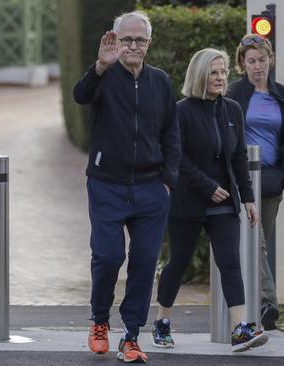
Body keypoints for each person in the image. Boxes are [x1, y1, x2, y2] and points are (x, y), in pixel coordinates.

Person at [73, 11, 180, 363]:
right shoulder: (103, 77)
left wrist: (167, 181)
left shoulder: (161, 81)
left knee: (145, 262)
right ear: (116, 41)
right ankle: (100, 320)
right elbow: (80, 95)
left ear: (149, 44)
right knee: (108, 257)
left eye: (140, 40)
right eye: (126, 40)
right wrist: (100, 66)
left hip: (151, 189)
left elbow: (171, 135)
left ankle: (131, 336)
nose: (133, 46)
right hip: (107, 185)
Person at [152, 48, 268, 352]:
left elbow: (240, 157)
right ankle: (162, 320)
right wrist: (206, 186)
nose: (220, 78)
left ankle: (240, 329)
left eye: (224, 72)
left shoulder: (232, 110)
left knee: (230, 261)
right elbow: (177, 158)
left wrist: (249, 198)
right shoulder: (181, 111)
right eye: (214, 72)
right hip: (189, 200)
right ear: (200, 74)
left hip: (224, 200)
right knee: (179, 262)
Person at [227, 34, 284, 330]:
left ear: (271, 61)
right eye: (251, 61)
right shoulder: (233, 94)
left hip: (271, 181)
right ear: (242, 63)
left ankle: (253, 305)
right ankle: (268, 302)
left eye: (262, 60)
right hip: (242, 181)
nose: (257, 66)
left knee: (259, 244)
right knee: (257, 241)